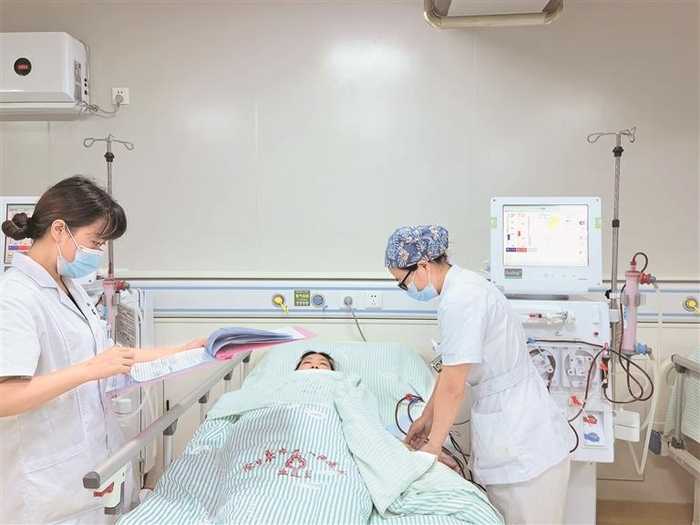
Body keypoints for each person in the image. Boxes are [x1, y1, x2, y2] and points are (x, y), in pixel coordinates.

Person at [0, 176, 204, 524]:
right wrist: (88, 370)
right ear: (60, 230)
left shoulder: (70, 287)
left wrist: (186, 349)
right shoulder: (14, 297)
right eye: (96, 241)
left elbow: (113, 359)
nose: (98, 252)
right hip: (48, 488)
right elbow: (5, 397)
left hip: (94, 467)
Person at [385, 225, 571, 525]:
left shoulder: (461, 300)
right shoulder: (464, 287)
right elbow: (449, 369)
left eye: (403, 283)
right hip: (515, 429)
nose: (408, 290)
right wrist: (426, 418)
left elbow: (454, 386)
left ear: (422, 266)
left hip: (522, 444)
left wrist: (432, 448)